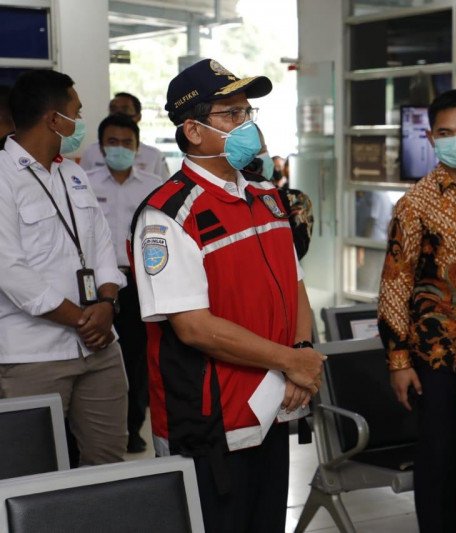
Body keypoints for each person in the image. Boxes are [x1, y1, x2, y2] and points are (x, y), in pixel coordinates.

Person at [130, 58, 325, 532]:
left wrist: (298, 354)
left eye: (247, 112)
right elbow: (193, 327)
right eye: (230, 115)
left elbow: (293, 285)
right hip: (212, 421)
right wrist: (289, 359)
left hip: (274, 406)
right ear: (193, 130)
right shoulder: (168, 214)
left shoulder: (267, 198)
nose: (246, 125)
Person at [377, 89, 456, 533]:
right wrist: (398, 362)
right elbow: (395, 284)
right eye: (446, 133)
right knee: (441, 465)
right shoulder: (414, 204)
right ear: (431, 138)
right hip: (437, 357)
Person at [0, 69, 127, 465]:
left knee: (109, 466)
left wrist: (106, 305)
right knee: (32, 475)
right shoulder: (3, 177)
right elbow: (10, 269)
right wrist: (82, 320)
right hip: (33, 354)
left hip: (101, 348)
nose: (80, 123)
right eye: (77, 112)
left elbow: (102, 246)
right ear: (54, 119)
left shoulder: (74, 174)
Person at [85, 113, 162, 453]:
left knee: (136, 358)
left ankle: (132, 427)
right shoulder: (83, 182)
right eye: (112, 143)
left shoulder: (152, 185)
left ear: (137, 147)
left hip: (137, 283)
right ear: (102, 147)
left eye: (126, 143)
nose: (119, 149)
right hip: (95, 285)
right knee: (93, 352)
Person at [242, 134, 314, 260]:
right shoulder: (234, 199)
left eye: (262, 150)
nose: (257, 161)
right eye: (249, 157)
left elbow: (295, 253)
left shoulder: (294, 200)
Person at [80, 92, 170, 179]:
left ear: (138, 117)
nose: (118, 115)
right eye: (113, 109)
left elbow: (165, 189)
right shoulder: (91, 152)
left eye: (125, 110)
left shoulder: (153, 156)